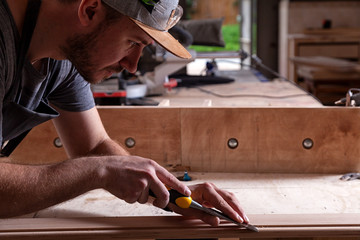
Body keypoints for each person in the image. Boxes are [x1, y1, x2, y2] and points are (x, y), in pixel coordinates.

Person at [0, 0, 250, 226]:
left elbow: (94, 146)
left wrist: (172, 192)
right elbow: (99, 163)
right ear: (89, 10)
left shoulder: (62, 59)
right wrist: (100, 171)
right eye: (132, 42)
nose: (132, 66)